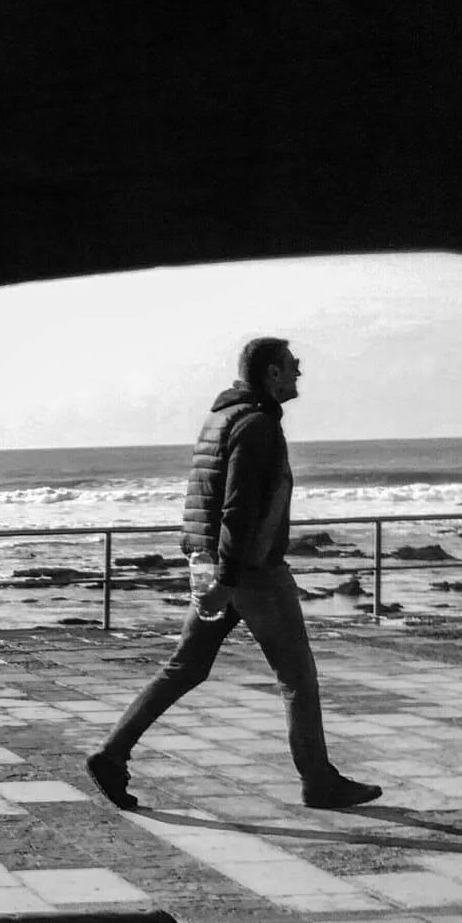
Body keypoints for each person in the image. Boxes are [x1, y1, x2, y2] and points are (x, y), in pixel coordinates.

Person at [84, 339, 382, 812]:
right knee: (297, 677)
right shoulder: (257, 424)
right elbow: (237, 507)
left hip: (214, 563)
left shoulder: (221, 418)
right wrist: (228, 579)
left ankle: (112, 753)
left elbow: (205, 499)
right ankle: (319, 782)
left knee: (185, 667)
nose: (300, 372)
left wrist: (212, 573)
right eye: (292, 366)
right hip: (250, 570)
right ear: (271, 374)